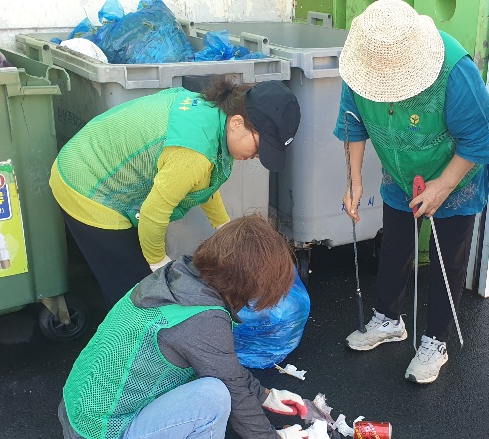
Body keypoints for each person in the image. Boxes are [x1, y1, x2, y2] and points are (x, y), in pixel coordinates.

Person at [57, 215, 313, 439]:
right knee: (213, 395)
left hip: (83, 421)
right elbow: (229, 387)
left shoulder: (178, 278)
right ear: (249, 282)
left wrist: (267, 396)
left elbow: (219, 363)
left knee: (211, 381)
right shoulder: (203, 320)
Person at [335, 0, 489, 385]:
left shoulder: (455, 71)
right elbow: (352, 124)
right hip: (400, 171)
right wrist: (354, 181)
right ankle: (389, 320)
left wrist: (443, 186)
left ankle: (436, 341)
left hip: (455, 174)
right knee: (395, 246)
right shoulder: (361, 65)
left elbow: (481, 139)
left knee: (447, 260)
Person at [50, 79, 301, 307]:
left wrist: (222, 225)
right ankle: (124, 347)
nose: (256, 157)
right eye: (259, 147)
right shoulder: (193, 154)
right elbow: (153, 214)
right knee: (136, 292)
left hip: (89, 162)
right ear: (237, 123)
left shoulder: (213, 118)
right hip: (86, 186)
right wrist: (159, 267)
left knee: (127, 270)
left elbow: (204, 184)